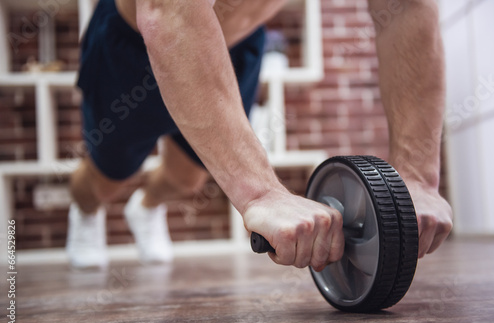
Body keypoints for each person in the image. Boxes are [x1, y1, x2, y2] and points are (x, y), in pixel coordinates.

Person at [67, 0, 453, 271]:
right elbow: (171, 9)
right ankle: (85, 212)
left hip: (233, 46)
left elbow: (407, 5)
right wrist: (262, 194)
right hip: (133, 45)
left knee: (188, 179)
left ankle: (147, 206)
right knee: (106, 180)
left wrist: (417, 178)